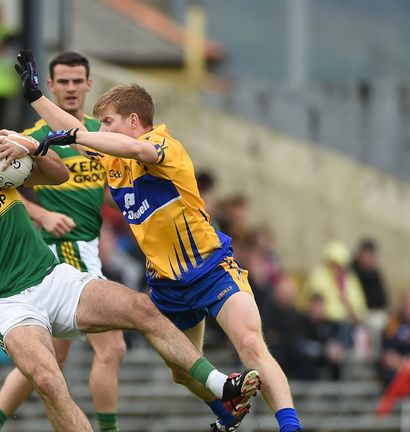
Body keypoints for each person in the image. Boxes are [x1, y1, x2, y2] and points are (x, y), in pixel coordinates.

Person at [0, 97, 260, 432]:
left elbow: (57, 175)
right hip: (8, 304)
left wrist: (31, 148)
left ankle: (220, 386)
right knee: (49, 381)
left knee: (143, 308)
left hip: (51, 278)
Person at [16, 49, 301, 432]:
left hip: (211, 269)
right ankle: (226, 412)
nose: (99, 130)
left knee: (251, 345)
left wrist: (79, 134)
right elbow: (73, 126)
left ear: (134, 121)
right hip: (167, 285)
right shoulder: (111, 158)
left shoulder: (164, 146)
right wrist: (36, 96)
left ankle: (290, 427)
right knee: (183, 372)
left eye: (107, 123)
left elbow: (133, 148)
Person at [0, 52, 126, 432]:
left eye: (79, 81)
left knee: (48, 362)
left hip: (87, 244)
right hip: (64, 250)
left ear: (90, 85)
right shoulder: (34, 137)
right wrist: (41, 214)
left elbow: (110, 186)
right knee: (113, 347)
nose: (72, 88)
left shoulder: (96, 134)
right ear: (52, 87)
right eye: (64, 82)